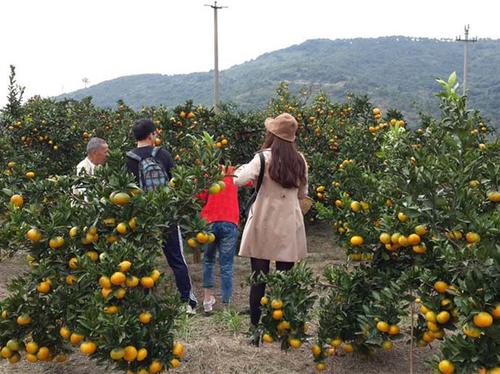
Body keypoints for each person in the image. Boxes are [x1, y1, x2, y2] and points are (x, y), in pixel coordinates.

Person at [233, 113, 308, 328]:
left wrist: (240, 169)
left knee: (258, 279)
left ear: (272, 134)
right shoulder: (300, 160)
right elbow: (303, 193)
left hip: (264, 221)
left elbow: (239, 180)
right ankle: (282, 326)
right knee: (286, 280)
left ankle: (256, 330)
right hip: (289, 222)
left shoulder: (263, 157)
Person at [126, 119, 197, 314]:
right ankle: (186, 302)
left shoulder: (129, 159)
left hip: (142, 219)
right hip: (167, 216)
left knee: (143, 260)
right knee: (177, 259)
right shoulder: (162, 154)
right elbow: (177, 182)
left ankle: (145, 301)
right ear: (151, 135)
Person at [197, 164, 240, 313]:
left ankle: (207, 301)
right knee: (226, 265)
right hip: (229, 221)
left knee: (208, 261)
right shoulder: (234, 173)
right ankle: (226, 305)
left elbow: (199, 197)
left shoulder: (207, 174)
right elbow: (250, 180)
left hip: (209, 222)